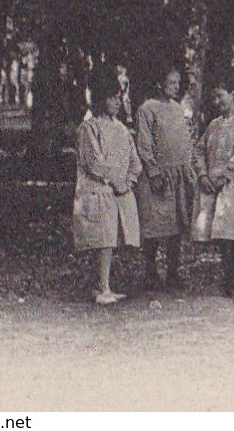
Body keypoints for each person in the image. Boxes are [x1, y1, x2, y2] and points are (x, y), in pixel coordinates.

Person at [73, 69, 142, 305]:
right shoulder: (89, 128)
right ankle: (100, 287)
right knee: (101, 238)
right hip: (97, 189)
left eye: (118, 97)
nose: (116, 101)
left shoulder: (122, 130)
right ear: (101, 99)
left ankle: (104, 285)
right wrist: (114, 181)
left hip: (119, 191)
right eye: (111, 97)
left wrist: (128, 182)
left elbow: (135, 162)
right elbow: (94, 161)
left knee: (111, 239)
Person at [192, 87, 234, 298]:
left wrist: (224, 175)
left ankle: (232, 278)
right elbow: (199, 150)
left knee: (231, 233)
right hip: (214, 185)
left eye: (220, 95)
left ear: (232, 94)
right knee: (220, 233)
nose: (216, 101)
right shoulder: (214, 125)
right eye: (213, 96)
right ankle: (228, 275)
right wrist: (203, 174)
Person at [135, 66, 194, 290]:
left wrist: (187, 168)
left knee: (175, 226)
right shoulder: (147, 109)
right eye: (171, 83)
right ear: (159, 84)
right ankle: (150, 272)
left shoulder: (179, 109)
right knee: (154, 224)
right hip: (158, 176)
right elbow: (144, 143)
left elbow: (185, 141)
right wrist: (153, 171)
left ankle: (173, 272)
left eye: (178, 83)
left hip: (177, 176)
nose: (176, 87)